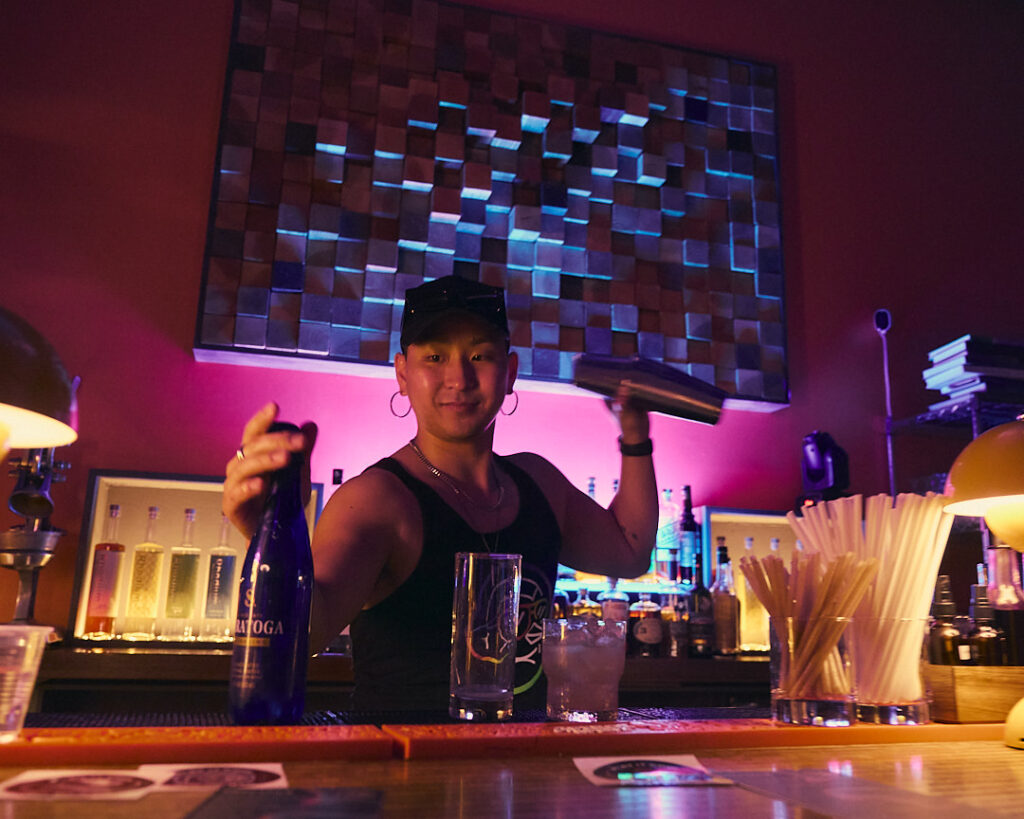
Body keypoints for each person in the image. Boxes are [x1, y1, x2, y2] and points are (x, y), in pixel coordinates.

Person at [223, 275, 658, 711]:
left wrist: (635, 435)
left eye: (479, 355)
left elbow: (630, 552)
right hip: (408, 770)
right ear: (403, 374)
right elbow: (304, 634)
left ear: (509, 373)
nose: (459, 376)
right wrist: (268, 534)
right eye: (435, 356)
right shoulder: (376, 500)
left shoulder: (537, 481)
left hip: (525, 769)